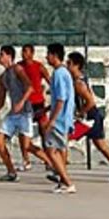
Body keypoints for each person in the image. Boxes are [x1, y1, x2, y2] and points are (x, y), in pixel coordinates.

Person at [0, 45, 49, 181]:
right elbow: (0, 101)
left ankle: (53, 165)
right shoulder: (3, 77)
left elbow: (30, 88)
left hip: (25, 112)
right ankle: (11, 172)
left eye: (1, 54)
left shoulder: (17, 69)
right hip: (13, 114)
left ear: (9, 56)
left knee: (27, 146)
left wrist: (21, 102)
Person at [66, 52, 109, 183]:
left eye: (69, 63)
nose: (67, 66)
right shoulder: (81, 80)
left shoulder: (78, 83)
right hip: (93, 116)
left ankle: (60, 172)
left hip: (89, 118)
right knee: (101, 145)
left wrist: (80, 112)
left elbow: (91, 102)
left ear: (76, 65)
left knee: (63, 138)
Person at [43, 42, 77, 194]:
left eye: (48, 54)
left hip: (60, 119)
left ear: (54, 55)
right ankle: (63, 181)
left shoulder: (58, 73)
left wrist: (52, 120)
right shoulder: (64, 73)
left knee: (50, 149)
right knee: (59, 149)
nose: (46, 57)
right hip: (64, 118)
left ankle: (68, 182)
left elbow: (61, 100)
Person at [17, 44, 51, 170]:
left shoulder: (39, 67)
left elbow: (50, 81)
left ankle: (49, 160)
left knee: (44, 132)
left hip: (38, 103)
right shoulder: (19, 67)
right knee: (23, 133)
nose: (23, 54)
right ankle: (26, 160)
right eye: (22, 51)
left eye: (26, 51)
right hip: (26, 104)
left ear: (32, 53)